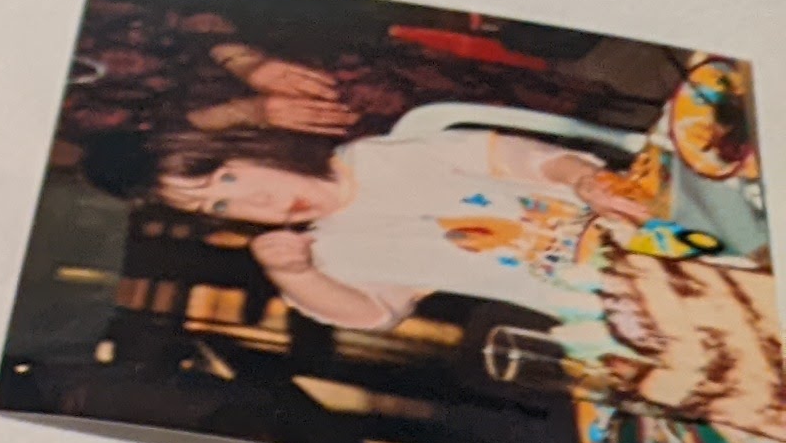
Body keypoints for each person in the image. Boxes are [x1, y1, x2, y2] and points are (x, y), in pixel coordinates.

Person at [81, 112, 655, 331]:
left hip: (628, 219)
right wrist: (296, 276)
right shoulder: (330, 255)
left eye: (228, 179)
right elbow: (373, 314)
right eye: (220, 207)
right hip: (611, 306)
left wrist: (581, 177)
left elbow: (512, 156)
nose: (259, 203)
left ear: (252, 146)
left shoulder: (376, 158)